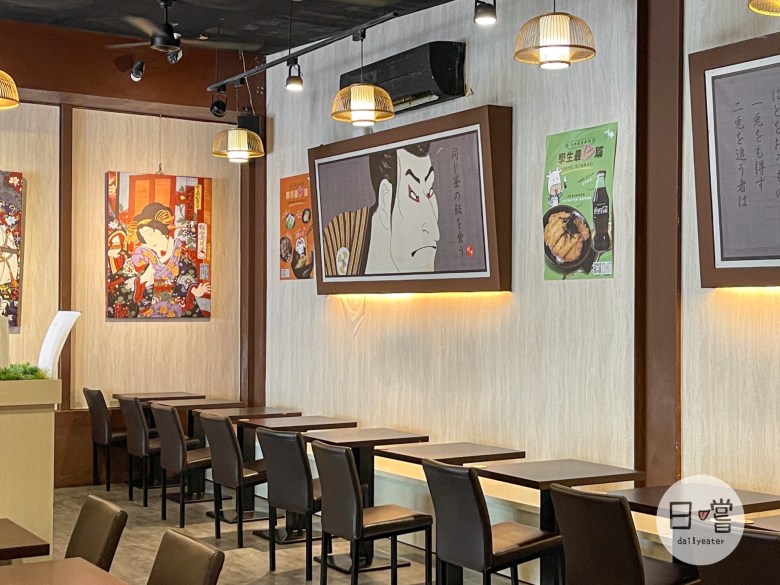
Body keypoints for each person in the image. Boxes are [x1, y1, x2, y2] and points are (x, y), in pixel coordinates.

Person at [123, 202, 210, 318]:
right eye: (143, 235)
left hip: (175, 301)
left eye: (149, 233)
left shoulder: (179, 250)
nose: (147, 238)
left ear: (160, 229)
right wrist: (142, 280)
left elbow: (186, 274)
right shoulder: (142, 254)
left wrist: (193, 290)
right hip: (149, 304)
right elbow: (129, 278)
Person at [365, 142, 440, 274]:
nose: (435, 231)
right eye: (414, 195)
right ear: (385, 198)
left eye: (430, 192)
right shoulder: (340, 244)